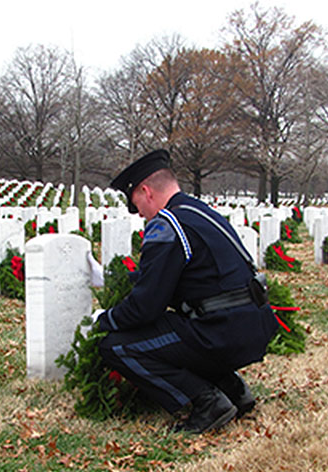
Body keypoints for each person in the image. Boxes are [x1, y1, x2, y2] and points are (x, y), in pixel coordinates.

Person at [93, 149, 278, 434]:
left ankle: (207, 402)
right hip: (256, 324)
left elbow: (146, 307)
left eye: (136, 203)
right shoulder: (199, 213)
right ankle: (233, 389)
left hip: (223, 332)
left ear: (146, 191)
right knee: (177, 331)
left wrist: (103, 320)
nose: (139, 213)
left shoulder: (167, 225)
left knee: (116, 345)